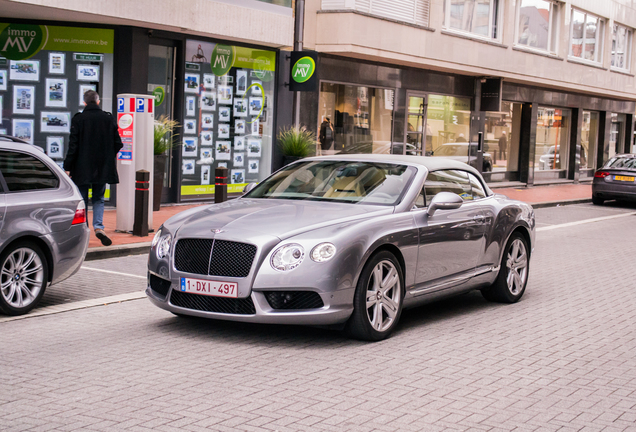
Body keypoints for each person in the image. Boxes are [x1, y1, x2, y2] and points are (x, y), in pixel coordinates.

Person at [64, 90, 123, 246]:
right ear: (98, 102)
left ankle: (84, 229)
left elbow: (73, 146)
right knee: (98, 198)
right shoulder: (108, 119)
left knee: (82, 200)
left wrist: (67, 166)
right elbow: (118, 143)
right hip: (102, 167)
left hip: (81, 167)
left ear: (84, 103)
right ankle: (99, 227)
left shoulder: (79, 119)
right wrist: (108, 156)